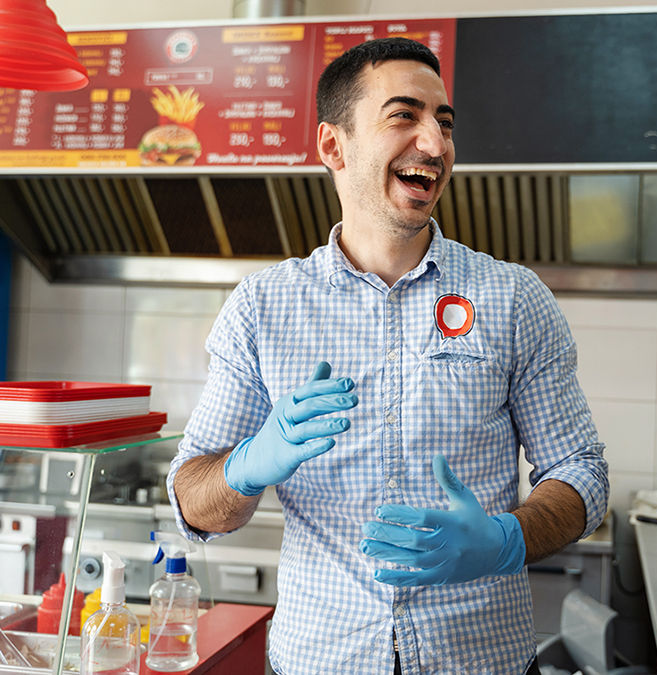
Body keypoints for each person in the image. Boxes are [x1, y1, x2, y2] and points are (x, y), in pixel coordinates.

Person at [167, 37, 608, 675]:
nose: (435, 143)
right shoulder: (263, 308)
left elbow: (583, 474)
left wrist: (505, 539)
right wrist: (245, 466)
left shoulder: (512, 298)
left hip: (481, 661)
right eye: (404, 116)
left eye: (445, 121)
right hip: (320, 659)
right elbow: (191, 500)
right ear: (332, 146)